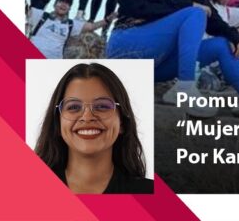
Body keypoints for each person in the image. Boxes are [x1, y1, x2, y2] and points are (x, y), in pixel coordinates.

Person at [34, 62, 153, 194]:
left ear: (122, 123)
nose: (87, 117)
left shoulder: (149, 192)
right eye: (74, 107)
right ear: (57, 123)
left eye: (102, 106)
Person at [29, 0, 113, 59]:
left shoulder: (71, 24)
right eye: (61, 1)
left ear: (69, 9)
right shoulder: (41, 15)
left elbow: (92, 27)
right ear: (54, 4)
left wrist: (108, 19)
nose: (63, 5)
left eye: (67, 4)